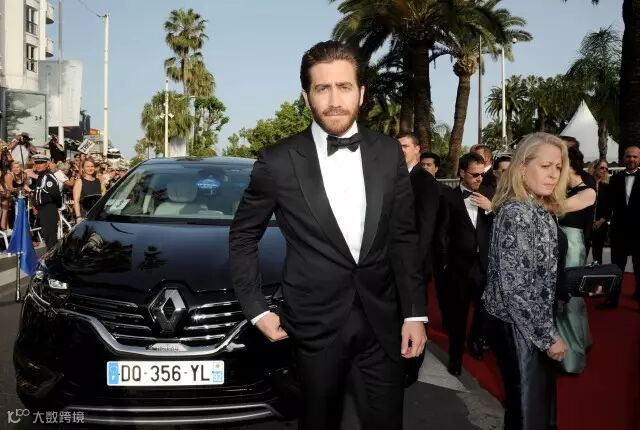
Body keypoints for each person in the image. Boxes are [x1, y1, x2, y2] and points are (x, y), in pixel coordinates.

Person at [229, 41, 427, 430]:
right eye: (323, 88)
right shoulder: (277, 161)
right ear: (306, 97)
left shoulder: (388, 153)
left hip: (382, 322)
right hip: (313, 326)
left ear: (361, 93)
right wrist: (256, 309)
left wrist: (415, 313)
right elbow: (243, 236)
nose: (334, 101)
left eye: (344, 87)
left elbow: (404, 237)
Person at [483, 132, 570, 430]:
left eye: (558, 167)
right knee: (527, 412)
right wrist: (549, 336)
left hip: (530, 321)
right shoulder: (518, 213)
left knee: (533, 409)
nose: (554, 174)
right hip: (517, 326)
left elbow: (541, 271)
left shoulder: (537, 208)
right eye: (546, 166)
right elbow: (516, 291)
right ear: (522, 169)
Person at [439, 152, 493, 374]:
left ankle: (475, 341)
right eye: (474, 174)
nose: (479, 178)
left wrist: (490, 207)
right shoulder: (449, 197)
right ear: (462, 173)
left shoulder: (490, 194)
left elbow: (502, 225)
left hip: (483, 266)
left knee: (484, 312)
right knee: (458, 316)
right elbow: (442, 232)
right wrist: (444, 263)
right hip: (458, 268)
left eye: (482, 174)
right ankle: (455, 357)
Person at [398, 133, 440, 384]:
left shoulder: (424, 181)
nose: (400, 150)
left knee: (414, 317)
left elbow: (425, 228)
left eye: (405, 146)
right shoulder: (397, 178)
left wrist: (414, 264)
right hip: (397, 264)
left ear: (417, 149)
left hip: (414, 264)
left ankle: (411, 369)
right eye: (397, 146)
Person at [556, 146, 596, 374]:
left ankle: (573, 359)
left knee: (570, 298)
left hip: (572, 248)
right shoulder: (563, 190)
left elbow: (558, 208)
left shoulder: (588, 191)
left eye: (557, 165)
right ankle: (572, 346)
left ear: (569, 166)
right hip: (557, 244)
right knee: (562, 298)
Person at [599, 145, 640, 308]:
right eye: (628, 156)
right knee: (616, 268)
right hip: (619, 230)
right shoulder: (615, 179)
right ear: (623, 158)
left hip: (639, 231)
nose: (631, 159)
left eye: (635, 156)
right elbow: (608, 204)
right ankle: (612, 299)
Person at [32, 154, 62, 249]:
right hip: (43, 209)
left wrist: (57, 206)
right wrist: (36, 205)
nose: (38, 165)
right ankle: (51, 254)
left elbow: (55, 194)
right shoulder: (41, 176)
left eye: (41, 163)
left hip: (48, 208)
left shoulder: (48, 177)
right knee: (47, 235)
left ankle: (53, 255)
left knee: (50, 235)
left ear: (46, 164)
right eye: (37, 163)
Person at [588, 159, 611, 264]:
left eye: (606, 168)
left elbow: (609, 208)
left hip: (600, 225)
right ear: (594, 168)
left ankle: (597, 273)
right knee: (582, 252)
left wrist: (600, 221)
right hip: (586, 224)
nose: (604, 170)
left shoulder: (607, 187)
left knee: (598, 255)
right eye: (602, 167)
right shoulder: (586, 184)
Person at [2, 161, 31, 233]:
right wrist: (22, 190)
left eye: (17, 167)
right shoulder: (9, 176)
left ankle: (24, 229)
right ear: (11, 169)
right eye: (14, 167)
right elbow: (10, 189)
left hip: (19, 196)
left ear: (21, 168)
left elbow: (25, 186)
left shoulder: (24, 175)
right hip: (8, 197)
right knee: (13, 212)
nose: (16, 169)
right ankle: (12, 229)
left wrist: (31, 191)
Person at [73, 158, 102, 223]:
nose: (90, 168)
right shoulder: (79, 181)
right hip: (84, 215)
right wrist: (78, 217)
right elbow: (76, 201)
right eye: (87, 166)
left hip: (96, 215)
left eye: (92, 166)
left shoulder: (97, 181)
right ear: (83, 168)